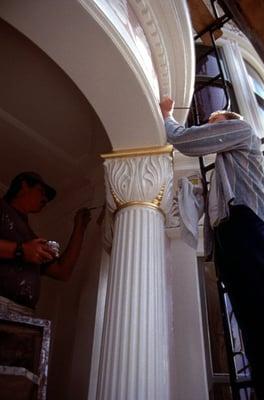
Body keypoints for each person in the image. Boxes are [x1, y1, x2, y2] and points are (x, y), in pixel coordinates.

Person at [160, 97, 264, 399]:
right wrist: (191, 192)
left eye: (211, 122)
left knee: (259, 315)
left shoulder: (242, 130)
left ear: (230, 121)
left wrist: (167, 116)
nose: (207, 126)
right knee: (251, 325)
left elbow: (186, 141)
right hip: (230, 240)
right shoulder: (224, 170)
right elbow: (209, 207)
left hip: (248, 232)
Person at [0, 171, 91, 312]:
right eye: (41, 191)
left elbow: (62, 271)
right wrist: (21, 250)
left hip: (23, 311)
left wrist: (80, 228)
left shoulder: (29, 236)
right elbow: (23, 250)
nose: (45, 199)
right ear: (24, 185)